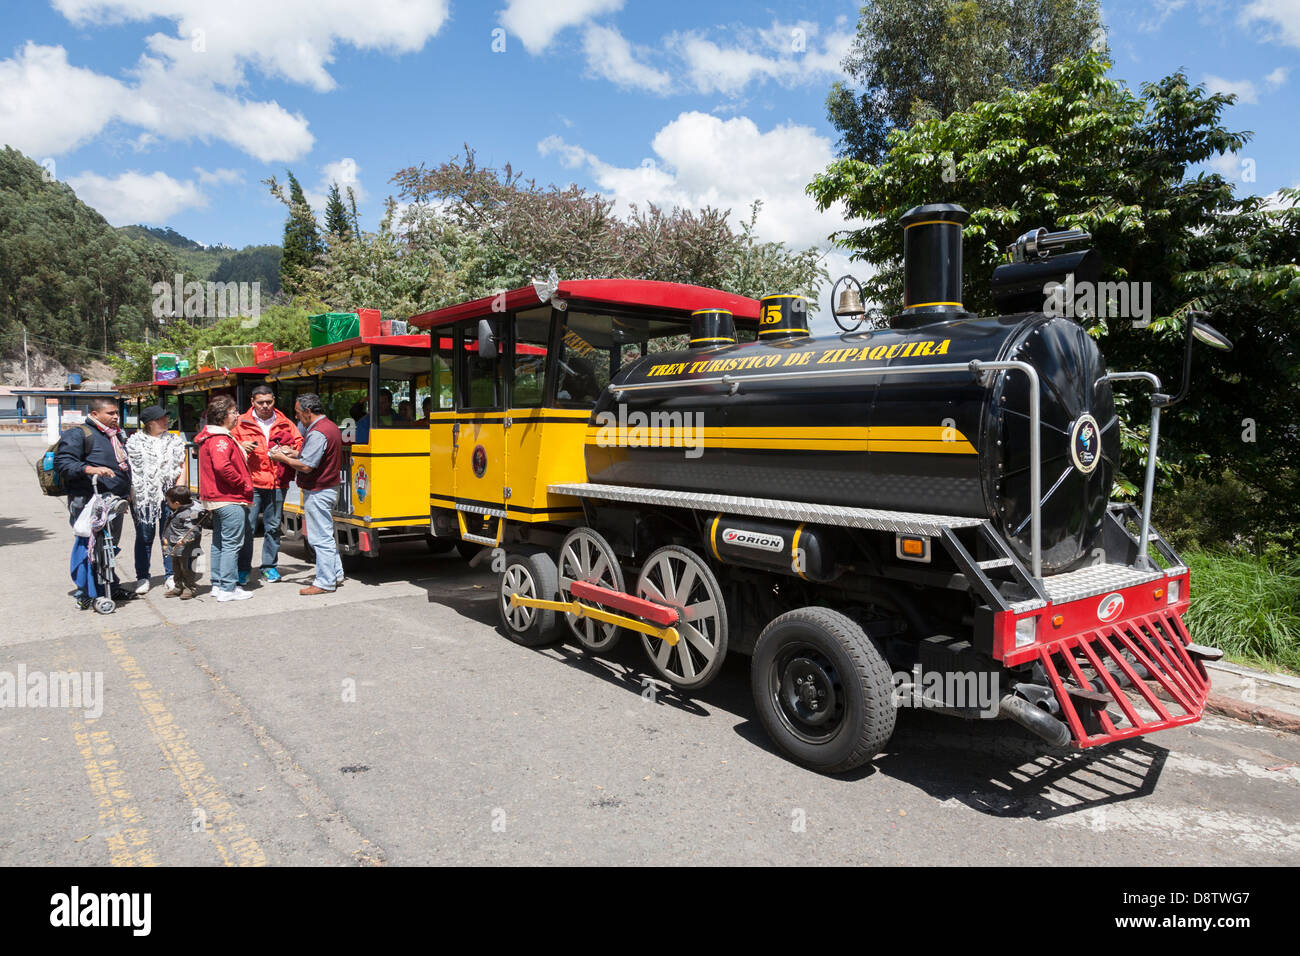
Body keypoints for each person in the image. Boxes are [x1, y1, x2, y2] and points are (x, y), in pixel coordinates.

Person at [55, 397, 132, 606]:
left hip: (113, 502)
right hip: (87, 501)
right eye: (111, 413)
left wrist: (126, 491)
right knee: (89, 547)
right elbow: (63, 463)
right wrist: (91, 469)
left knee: (109, 547)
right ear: (95, 414)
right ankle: (86, 592)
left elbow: (122, 465)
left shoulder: (114, 435)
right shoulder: (79, 434)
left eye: (117, 413)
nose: (116, 417)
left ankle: (109, 586)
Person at [269, 393, 343, 596]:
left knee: (320, 538)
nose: (297, 417)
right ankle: (335, 574)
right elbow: (313, 456)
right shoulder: (330, 426)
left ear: (308, 412)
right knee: (326, 534)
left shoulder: (318, 432)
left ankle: (325, 581)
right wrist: (293, 453)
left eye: (298, 413)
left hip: (319, 490)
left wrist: (281, 457)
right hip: (328, 488)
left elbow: (307, 465)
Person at [232, 386, 302, 585]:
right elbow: (226, 444)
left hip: (278, 483)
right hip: (251, 483)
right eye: (260, 402)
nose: (265, 406)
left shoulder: (285, 423)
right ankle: (243, 568)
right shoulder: (240, 423)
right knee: (248, 528)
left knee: (272, 527)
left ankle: (269, 567)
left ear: (274, 401)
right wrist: (240, 446)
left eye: (269, 402)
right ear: (252, 402)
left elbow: (300, 444)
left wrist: (289, 450)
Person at [195, 395, 254, 602]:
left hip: (217, 498)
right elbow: (222, 466)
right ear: (222, 416)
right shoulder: (220, 439)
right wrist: (243, 483)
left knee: (220, 542)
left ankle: (218, 584)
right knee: (231, 544)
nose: (237, 415)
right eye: (234, 411)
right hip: (229, 498)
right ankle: (228, 587)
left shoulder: (211, 437)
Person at [125, 405, 186, 595]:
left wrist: (179, 493)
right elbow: (129, 471)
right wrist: (129, 496)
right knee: (144, 538)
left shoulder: (174, 441)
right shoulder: (134, 442)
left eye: (166, 417)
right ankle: (142, 577)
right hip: (144, 500)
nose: (166, 420)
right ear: (151, 422)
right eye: (162, 418)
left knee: (169, 537)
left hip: (169, 497)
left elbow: (181, 466)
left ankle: (171, 575)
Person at [161, 486, 206, 600]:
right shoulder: (179, 510)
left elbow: (193, 530)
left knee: (187, 569)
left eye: (168, 501)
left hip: (186, 548)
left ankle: (189, 588)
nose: (167, 503)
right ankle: (178, 586)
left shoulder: (188, 514)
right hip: (175, 545)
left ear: (177, 503)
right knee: (177, 568)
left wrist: (185, 540)